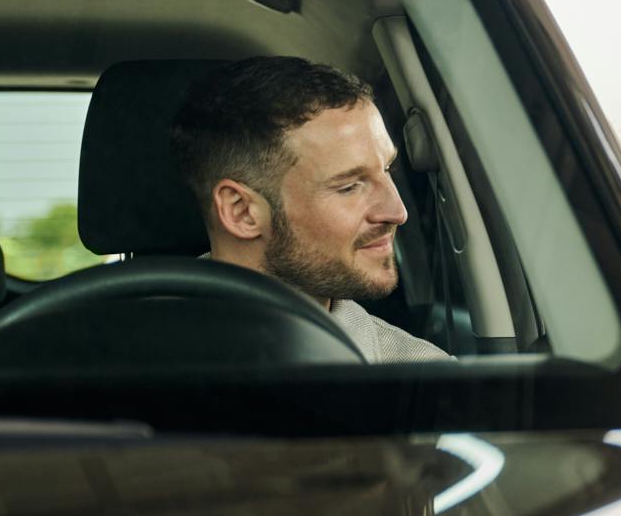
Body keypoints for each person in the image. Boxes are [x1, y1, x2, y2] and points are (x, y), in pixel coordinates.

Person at [171, 56, 449, 363]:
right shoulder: (122, 362)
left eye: (387, 169)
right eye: (349, 186)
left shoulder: (422, 379)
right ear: (242, 212)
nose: (398, 212)